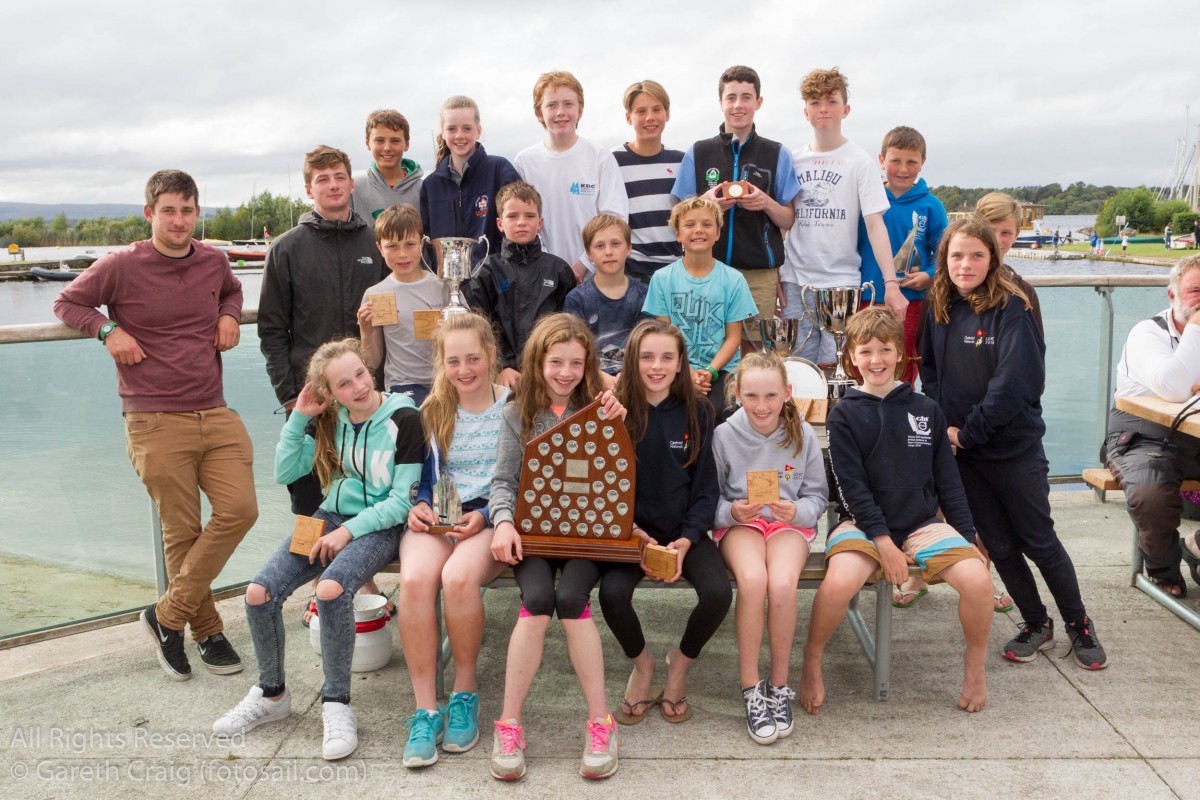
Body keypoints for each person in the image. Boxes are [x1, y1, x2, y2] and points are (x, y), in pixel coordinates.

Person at [54, 169, 258, 681]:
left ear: (198, 213)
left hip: (214, 409)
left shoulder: (213, 260)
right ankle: (207, 632)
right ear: (150, 213)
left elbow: (232, 291)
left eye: (187, 211)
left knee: (240, 510)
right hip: (153, 416)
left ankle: (166, 615)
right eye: (169, 211)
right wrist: (107, 329)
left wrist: (229, 314)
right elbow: (66, 302)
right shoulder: (121, 264)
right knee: (182, 530)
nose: (179, 220)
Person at [211, 339, 423, 760]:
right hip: (327, 517)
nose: (357, 387)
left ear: (369, 370)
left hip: (381, 525)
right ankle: (271, 694)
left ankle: (336, 703)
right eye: (343, 384)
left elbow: (402, 501)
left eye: (360, 374)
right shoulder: (328, 420)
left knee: (330, 590)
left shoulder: (404, 417)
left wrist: (348, 533)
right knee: (259, 593)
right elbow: (285, 471)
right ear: (330, 393)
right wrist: (300, 418)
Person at [921, 217, 1109, 670]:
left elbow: (1016, 382)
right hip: (965, 454)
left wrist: (969, 432)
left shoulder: (1012, 305)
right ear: (945, 260)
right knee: (999, 545)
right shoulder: (939, 303)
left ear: (992, 258)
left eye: (977, 255)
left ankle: (1079, 623)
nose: (966, 265)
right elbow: (931, 372)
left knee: (1038, 540)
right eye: (956, 256)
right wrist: (944, 427)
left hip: (1011, 448)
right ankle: (1036, 622)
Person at [807, 307, 993, 714]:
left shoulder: (926, 410)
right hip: (861, 523)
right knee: (838, 584)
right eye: (866, 351)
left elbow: (949, 482)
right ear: (851, 358)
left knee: (979, 582)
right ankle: (813, 659)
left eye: (885, 349)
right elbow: (851, 489)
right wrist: (883, 544)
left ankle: (975, 666)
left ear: (900, 354)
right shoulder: (844, 414)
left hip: (920, 524)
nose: (876, 360)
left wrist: (966, 537)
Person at [486, 313, 626, 782]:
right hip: (535, 533)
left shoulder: (602, 408)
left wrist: (619, 424)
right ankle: (509, 724)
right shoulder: (517, 413)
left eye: (576, 363)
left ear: (588, 366)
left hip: (587, 534)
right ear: (538, 362)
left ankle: (601, 722)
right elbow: (503, 481)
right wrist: (503, 523)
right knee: (537, 599)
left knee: (571, 599)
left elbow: (620, 475)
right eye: (556, 362)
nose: (566, 373)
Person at [598, 320, 731, 727]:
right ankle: (643, 664)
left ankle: (679, 665)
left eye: (667, 357)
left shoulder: (700, 412)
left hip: (683, 532)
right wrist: (632, 533)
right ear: (631, 361)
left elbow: (706, 489)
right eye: (647, 357)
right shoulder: (614, 412)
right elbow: (604, 485)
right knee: (611, 595)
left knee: (718, 593)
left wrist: (688, 539)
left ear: (680, 364)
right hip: (630, 533)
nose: (657, 366)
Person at [397, 313, 509, 767]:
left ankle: (464, 692)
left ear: (491, 355)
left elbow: (523, 480)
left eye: (473, 358)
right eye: (454, 361)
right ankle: (425, 709)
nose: (464, 370)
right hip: (442, 518)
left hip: (490, 517)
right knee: (414, 580)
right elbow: (424, 481)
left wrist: (485, 516)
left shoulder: (514, 408)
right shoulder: (433, 410)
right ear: (441, 364)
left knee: (459, 578)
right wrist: (420, 505)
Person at [259, 145, 387, 515]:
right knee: (309, 506)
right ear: (308, 189)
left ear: (351, 184)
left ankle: (364, 558)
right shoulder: (286, 248)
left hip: (367, 395)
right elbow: (271, 329)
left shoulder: (375, 244)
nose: (333, 185)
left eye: (340, 177)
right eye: (323, 179)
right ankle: (311, 555)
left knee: (369, 500)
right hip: (311, 399)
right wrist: (289, 397)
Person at [714, 351, 827, 743]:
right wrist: (732, 511)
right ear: (737, 394)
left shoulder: (803, 434)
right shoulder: (724, 435)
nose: (761, 405)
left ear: (787, 393)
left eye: (771, 396)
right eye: (751, 396)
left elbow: (817, 496)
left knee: (781, 584)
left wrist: (797, 511)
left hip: (787, 525)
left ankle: (779, 686)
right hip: (742, 525)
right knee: (753, 580)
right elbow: (709, 498)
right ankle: (751, 688)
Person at [781, 67, 904, 365]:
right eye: (815, 102)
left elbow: (875, 225)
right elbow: (782, 222)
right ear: (806, 112)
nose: (823, 108)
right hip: (795, 280)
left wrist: (891, 283)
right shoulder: (791, 160)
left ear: (845, 109)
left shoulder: (860, 161)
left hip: (842, 283)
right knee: (798, 367)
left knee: (837, 366)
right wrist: (775, 274)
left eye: (831, 101)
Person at [670, 65, 799, 329]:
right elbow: (678, 215)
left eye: (746, 97)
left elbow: (788, 219)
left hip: (759, 275)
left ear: (758, 102)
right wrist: (705, 203)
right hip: (704, 271)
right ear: (721, 103)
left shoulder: (777, 154)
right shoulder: (698, 152)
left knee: (754, 347)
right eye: (731, 97)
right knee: (705, 343)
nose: (738, 105)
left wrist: (766, 203)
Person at [1104, 254, 1200, 597]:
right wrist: (1196, 326)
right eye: (1196, 291)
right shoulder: (1147, 333)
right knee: (1151, 496)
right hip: (1143, 436)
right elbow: (1173, 387)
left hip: (1195, 438)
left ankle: (1197, 545)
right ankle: (1163, 569)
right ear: (1172, 295)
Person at [643, 197, 758, 417]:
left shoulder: (734, 280)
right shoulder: (662, 279)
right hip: (675, 366)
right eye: (689, 225)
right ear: (678, 234)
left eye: (707, 224)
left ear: (718, 233)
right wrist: (687, 372)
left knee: (718, 410)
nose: (699, 230)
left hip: (721, 369)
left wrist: (710, 371)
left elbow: (733, 338)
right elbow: (665, 337)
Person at [514, 70, 628, 281]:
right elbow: (522, 221)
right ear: (539, 112)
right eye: (551, 105)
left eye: (568, 104)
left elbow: (615, 219)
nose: (561, 112)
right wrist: (550, 267)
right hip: (542, 276)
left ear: (580, 110)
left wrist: (582, 266)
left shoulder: (600, 157)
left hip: (596, 277)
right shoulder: (525, 162)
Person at [462, 181, 576, 391]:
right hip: (501, 378)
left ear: (540, 222)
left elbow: (568, 329)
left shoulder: (559, 271)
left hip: (550, 375)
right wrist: (501, 367)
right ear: (500, 223)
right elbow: (479, 328)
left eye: (529, 216)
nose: (521, 222)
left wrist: (551, 366)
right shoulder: (486, 271)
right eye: (513, 216)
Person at [857, 125, 948, 383]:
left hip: (909, 301)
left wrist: (929, 275)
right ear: (881, 160)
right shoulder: (867, 199)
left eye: (912, 162)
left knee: (903, 360)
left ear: (923, 162)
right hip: (864, 298)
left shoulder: (931, 205)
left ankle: (903, 403)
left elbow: (945, 253)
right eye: (895, 161)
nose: (903, 169)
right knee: (863, 363)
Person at [356, 203, 448, 407]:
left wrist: (451, 331)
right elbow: (372, 362)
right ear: (380, 248)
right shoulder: (375, 295)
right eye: (392, 246)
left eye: (409, 244)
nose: (402, 254)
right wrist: (366, 331)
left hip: (447, 379)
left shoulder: (444, 287)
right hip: (403, 385)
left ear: (421, 244)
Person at [419, 95, 521, 258]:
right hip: (446, 274)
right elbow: (428, 243)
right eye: (452, 129)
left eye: (467, 128)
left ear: (478, 131)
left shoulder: (500, 170)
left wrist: (498, 267)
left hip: (494, 273)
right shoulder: (431, 186)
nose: (459, 135)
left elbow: (518, 226)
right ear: (443, 132)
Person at [564, 214, 649, 387]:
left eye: (615, 244)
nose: (608, 252)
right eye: (600, 246)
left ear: (628, 249)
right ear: (589, 254)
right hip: (590, 380)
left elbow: (647, 345)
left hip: (635, 379)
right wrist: (599, 377)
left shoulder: (644, 295)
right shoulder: (576, 299)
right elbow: (574, 349)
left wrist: (628, 377)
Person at [612, 80, 684, 282]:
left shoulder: (681, 161)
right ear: (629, 117)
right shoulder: (612, 161)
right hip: (632, 273)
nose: (650, 117)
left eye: (656, 109)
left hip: (676, 271)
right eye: (641, 111)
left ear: (667, 114)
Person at [352, 109, 424, 228]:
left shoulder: (424, 189)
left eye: (395, 141)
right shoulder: (353, 188)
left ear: (406, 144)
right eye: (379, 141)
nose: (387, 148)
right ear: (367, 143)